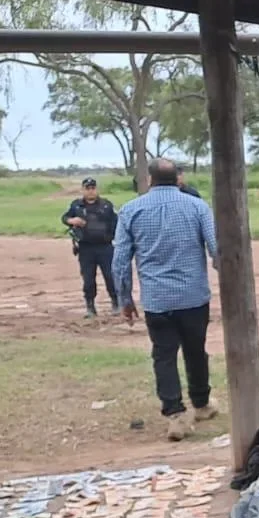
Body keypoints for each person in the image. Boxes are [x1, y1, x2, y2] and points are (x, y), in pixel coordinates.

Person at [114, 157, 221, 441]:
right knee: (196, 350)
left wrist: (125, 299)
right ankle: (201, 404)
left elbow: (120, 261)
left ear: (149, 179)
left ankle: (175, 414)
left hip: (157, 299)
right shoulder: (197, 207)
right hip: (193, 296)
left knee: (163, 355)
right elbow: (217, 250)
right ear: (178, 179)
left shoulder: (130, 210)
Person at [62, 177, 120, 318]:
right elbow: (64, 218)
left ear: (96, 189)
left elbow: (116, 222)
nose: (90, 191)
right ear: (83, 190)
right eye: (87, 188)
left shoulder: (106, 205)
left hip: (105, 247)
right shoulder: (77, 206)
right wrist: (72, 220)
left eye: (93, 188)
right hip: (85, 248)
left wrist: (113, 237)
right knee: (88, 279)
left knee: (110, 277)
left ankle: (116, 303)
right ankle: (90, 306)